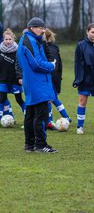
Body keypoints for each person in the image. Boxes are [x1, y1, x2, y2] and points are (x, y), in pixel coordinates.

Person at [17, 17, 58, 153]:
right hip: (37, 84)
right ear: (31, 28)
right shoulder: (29, 41)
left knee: (30, 115)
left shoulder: (30, 40)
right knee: (41, 116)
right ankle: (41, 145)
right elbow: (36, 63)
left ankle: (29, 145)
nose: (43, 30)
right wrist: (51, 65)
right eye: (40, 27)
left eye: (43, 27)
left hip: (33, 83)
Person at [43, 29, 72, 130]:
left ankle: (50, 121)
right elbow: (59, 66)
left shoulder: (44, 48)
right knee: (53, 99)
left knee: (50, 99)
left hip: (47, 78)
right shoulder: (55, 48)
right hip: (55, 78)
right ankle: (66, 117)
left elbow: (51, 65)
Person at [0, 28, 26, 120]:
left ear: (13, 39)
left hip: (15, 80)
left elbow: (20, 65)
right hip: (3, 79)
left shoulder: (18, 51)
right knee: (2, 99)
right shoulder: (0, 50)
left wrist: (20, 77)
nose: (8, 41)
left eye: (10, 39)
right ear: (3, 39)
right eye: (6, 39)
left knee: (19, 100)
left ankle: (28, 118)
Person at [0, 22, 15, 120]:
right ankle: (9, 116)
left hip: (5, 75)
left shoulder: (3, 43)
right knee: (2, 96)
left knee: (2, 96)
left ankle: (8, 116)